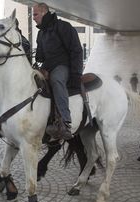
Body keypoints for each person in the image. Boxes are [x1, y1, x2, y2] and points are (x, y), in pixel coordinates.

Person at [33, 2, 83, 140]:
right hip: (48, 66)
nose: (33, 17)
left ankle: (65, 123)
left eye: (35, 14)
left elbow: (77, 50)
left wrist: (76, 74)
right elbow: (42, 56)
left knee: (56, 80)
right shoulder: (40, 33)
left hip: (64, 65)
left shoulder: (63, 27)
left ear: (44, 12)